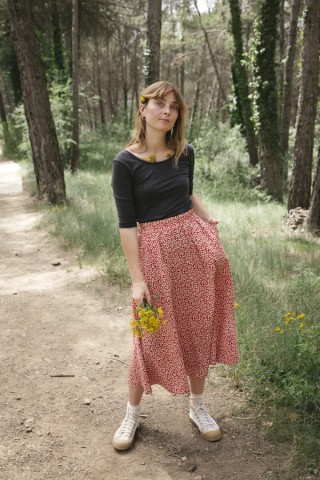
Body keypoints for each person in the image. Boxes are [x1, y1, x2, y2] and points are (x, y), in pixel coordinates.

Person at [111, 80, 239, 451]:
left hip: (195, 249)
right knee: (147, 335)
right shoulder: (125, 162)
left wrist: (209, 222)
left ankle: (197, 407)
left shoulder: (185, 152)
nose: (167, 111)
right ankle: (132, 413)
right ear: (143, 108)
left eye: (174, 106)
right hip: (155, 255)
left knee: (197, 327)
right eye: (159, 104)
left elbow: (187, 194)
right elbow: (126, 224)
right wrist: (137, 279)